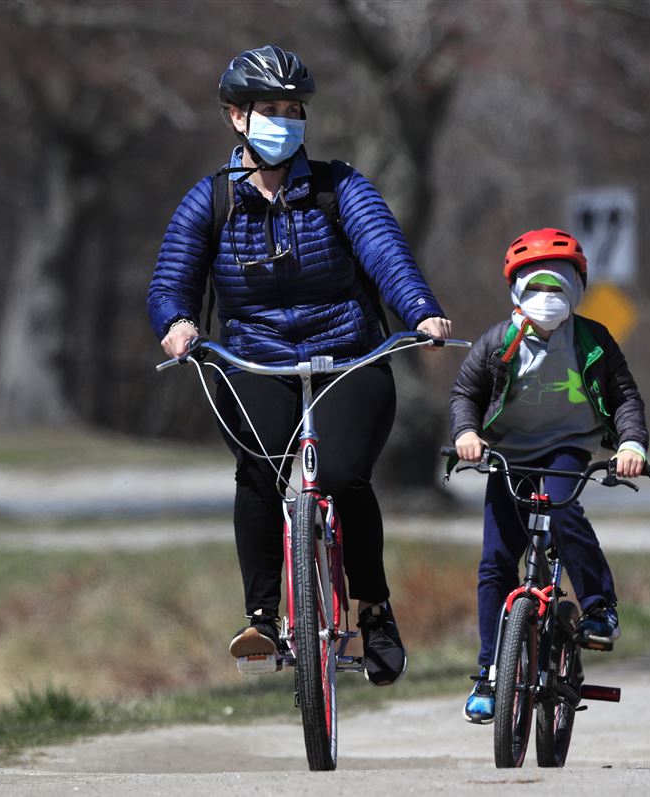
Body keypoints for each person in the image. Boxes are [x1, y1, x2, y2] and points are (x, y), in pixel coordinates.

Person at [147, 44, 451, 687]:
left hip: (349, 355)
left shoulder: (342, 188)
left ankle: (374, 612)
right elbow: (171, 282)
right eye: (269, 110)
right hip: (252, 361)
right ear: (236, 117)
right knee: (258, 473)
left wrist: (420, 312)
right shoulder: (210, 202)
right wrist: (176, 324)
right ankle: (261, 616)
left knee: (342, 476)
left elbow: (385, 254)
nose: (284, 121)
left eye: (294, 109)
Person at [448, 227, 648, 722]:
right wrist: (466, 434)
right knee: (496, 561)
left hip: (567, 448)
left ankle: (599, 607)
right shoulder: (498, 343)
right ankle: (492, 674)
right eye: (536, 287)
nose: (547, 298)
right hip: (509, 454)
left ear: (578, 289)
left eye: (558, 286)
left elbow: (624, 397)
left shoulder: (593, 341)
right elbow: (464, 395)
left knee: (561, 512)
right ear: (515, 290)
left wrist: (630, 443)